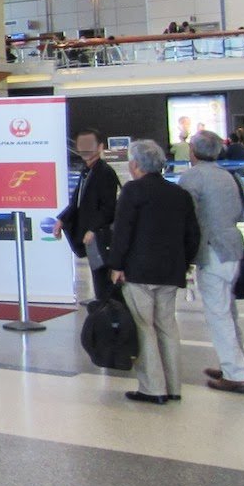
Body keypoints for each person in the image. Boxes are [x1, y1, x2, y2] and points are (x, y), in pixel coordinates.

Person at [105, 139, 200, 405]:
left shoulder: (133, 192)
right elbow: (192, 234)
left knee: (143, 327)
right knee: (168, 326)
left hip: (139, 271)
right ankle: (173, 386)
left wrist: (116, 264)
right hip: (170, 271)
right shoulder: (179, 193)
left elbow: (123, 232)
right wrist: (185, 261)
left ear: (135, 165)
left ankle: (152, 388)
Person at [177, 131, 244, 393]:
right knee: (228, 311)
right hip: (233, 247)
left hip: (211, 250)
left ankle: (236, 374)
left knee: (217, 313)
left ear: (194, 152)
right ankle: (234, 364)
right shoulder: (230, 176)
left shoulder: (192, 177)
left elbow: (185, 215)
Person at [53, 128, 120, 302]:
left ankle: (107, 312)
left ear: (100, 147)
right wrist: (62, 219)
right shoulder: (87, 171)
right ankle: (103, 308)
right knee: (97, 273)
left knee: (102, 276)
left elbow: (108, 207)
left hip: (100, 236)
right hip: (90, 233)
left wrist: (93, 229)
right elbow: (77, 201)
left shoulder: (105, 173)